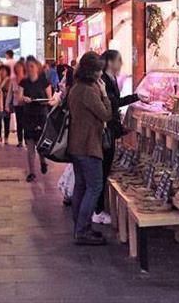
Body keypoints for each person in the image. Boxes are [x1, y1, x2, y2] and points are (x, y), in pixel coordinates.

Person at [94, 50, 148, 225]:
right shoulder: (104, 81)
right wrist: (135, 97)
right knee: (102, 171)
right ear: (110, 62)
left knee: (104, 169)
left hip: (110, 131)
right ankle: (98, 211)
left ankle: (98, 208)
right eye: (119, 60)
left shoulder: (110, 79)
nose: (121, 64)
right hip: (104, 133)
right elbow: (111, 104)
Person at [66, 52, 112, 245]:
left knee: (81, 186)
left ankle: (79, 226)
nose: (101, 73)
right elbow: (106, 115)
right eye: (99, 69)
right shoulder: (89, 90)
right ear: (93, 71)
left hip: (76, 144)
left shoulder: (76, 88)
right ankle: (82, 230)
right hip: (88, 145)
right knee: (94, 187)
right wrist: (105, 94)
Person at [17, 56, 52, 182]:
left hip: (41, 115)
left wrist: (47, 102)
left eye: (32, 66)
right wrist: (24, 99)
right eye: (28, 67)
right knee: (30, 145)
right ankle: (32, 172)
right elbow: (19, 98)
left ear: (37, 67)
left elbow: (50, 98)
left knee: (40, 144)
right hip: (28, 116)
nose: (30, 69)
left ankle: (43, 160)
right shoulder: (23, 82)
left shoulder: (44, 81)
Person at [8, 61, 27, 148]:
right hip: (17, 104)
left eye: (20, 68)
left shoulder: (27, 79)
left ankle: (27, 140)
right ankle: (20, 141)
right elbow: (10, 93)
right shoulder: (13, 80)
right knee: (19, 122)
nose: (18, 70)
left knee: (26, 122)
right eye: (17, 69)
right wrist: (7, 104)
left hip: (26, 103)